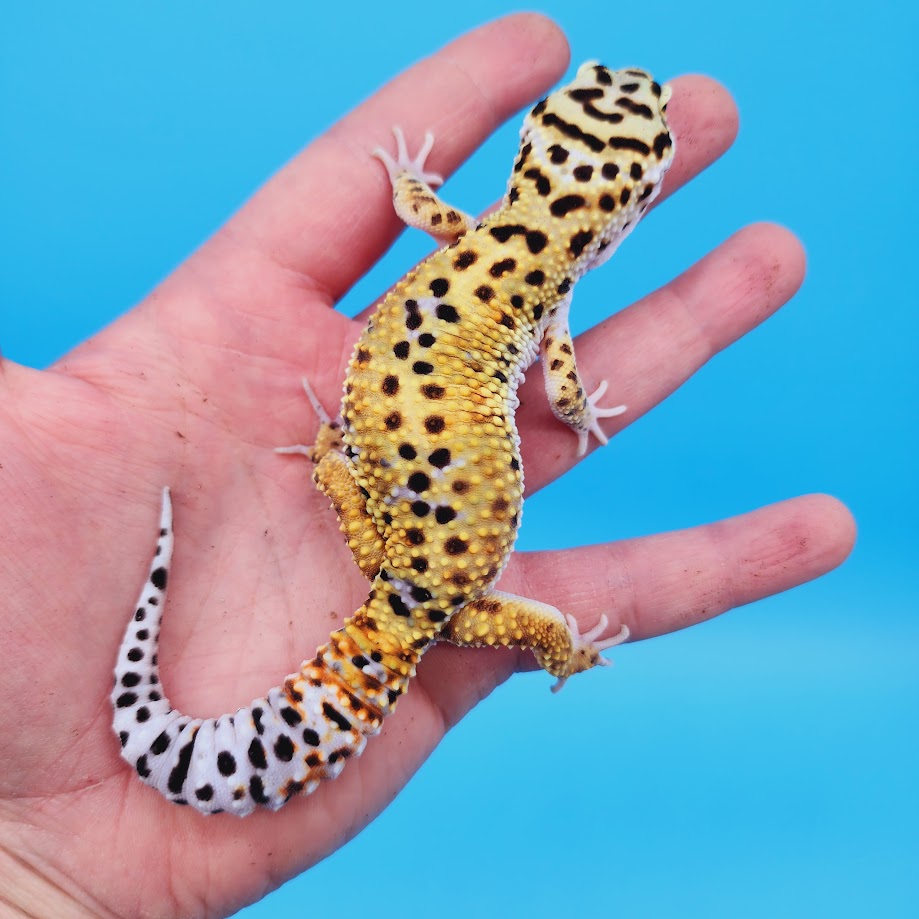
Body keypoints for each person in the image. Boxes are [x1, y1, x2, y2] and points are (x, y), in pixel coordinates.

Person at [0, 13, 854, 918]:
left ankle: (366, 490)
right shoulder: (548, 294)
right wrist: (571, 449)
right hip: (419, 567)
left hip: (412, 544)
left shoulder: (476, 232)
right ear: (631, 200)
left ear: (532, 145)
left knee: (473, 595)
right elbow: (562, 392)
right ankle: (514, 609)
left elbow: (419, 207)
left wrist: (408, 185)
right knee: (498, 613)